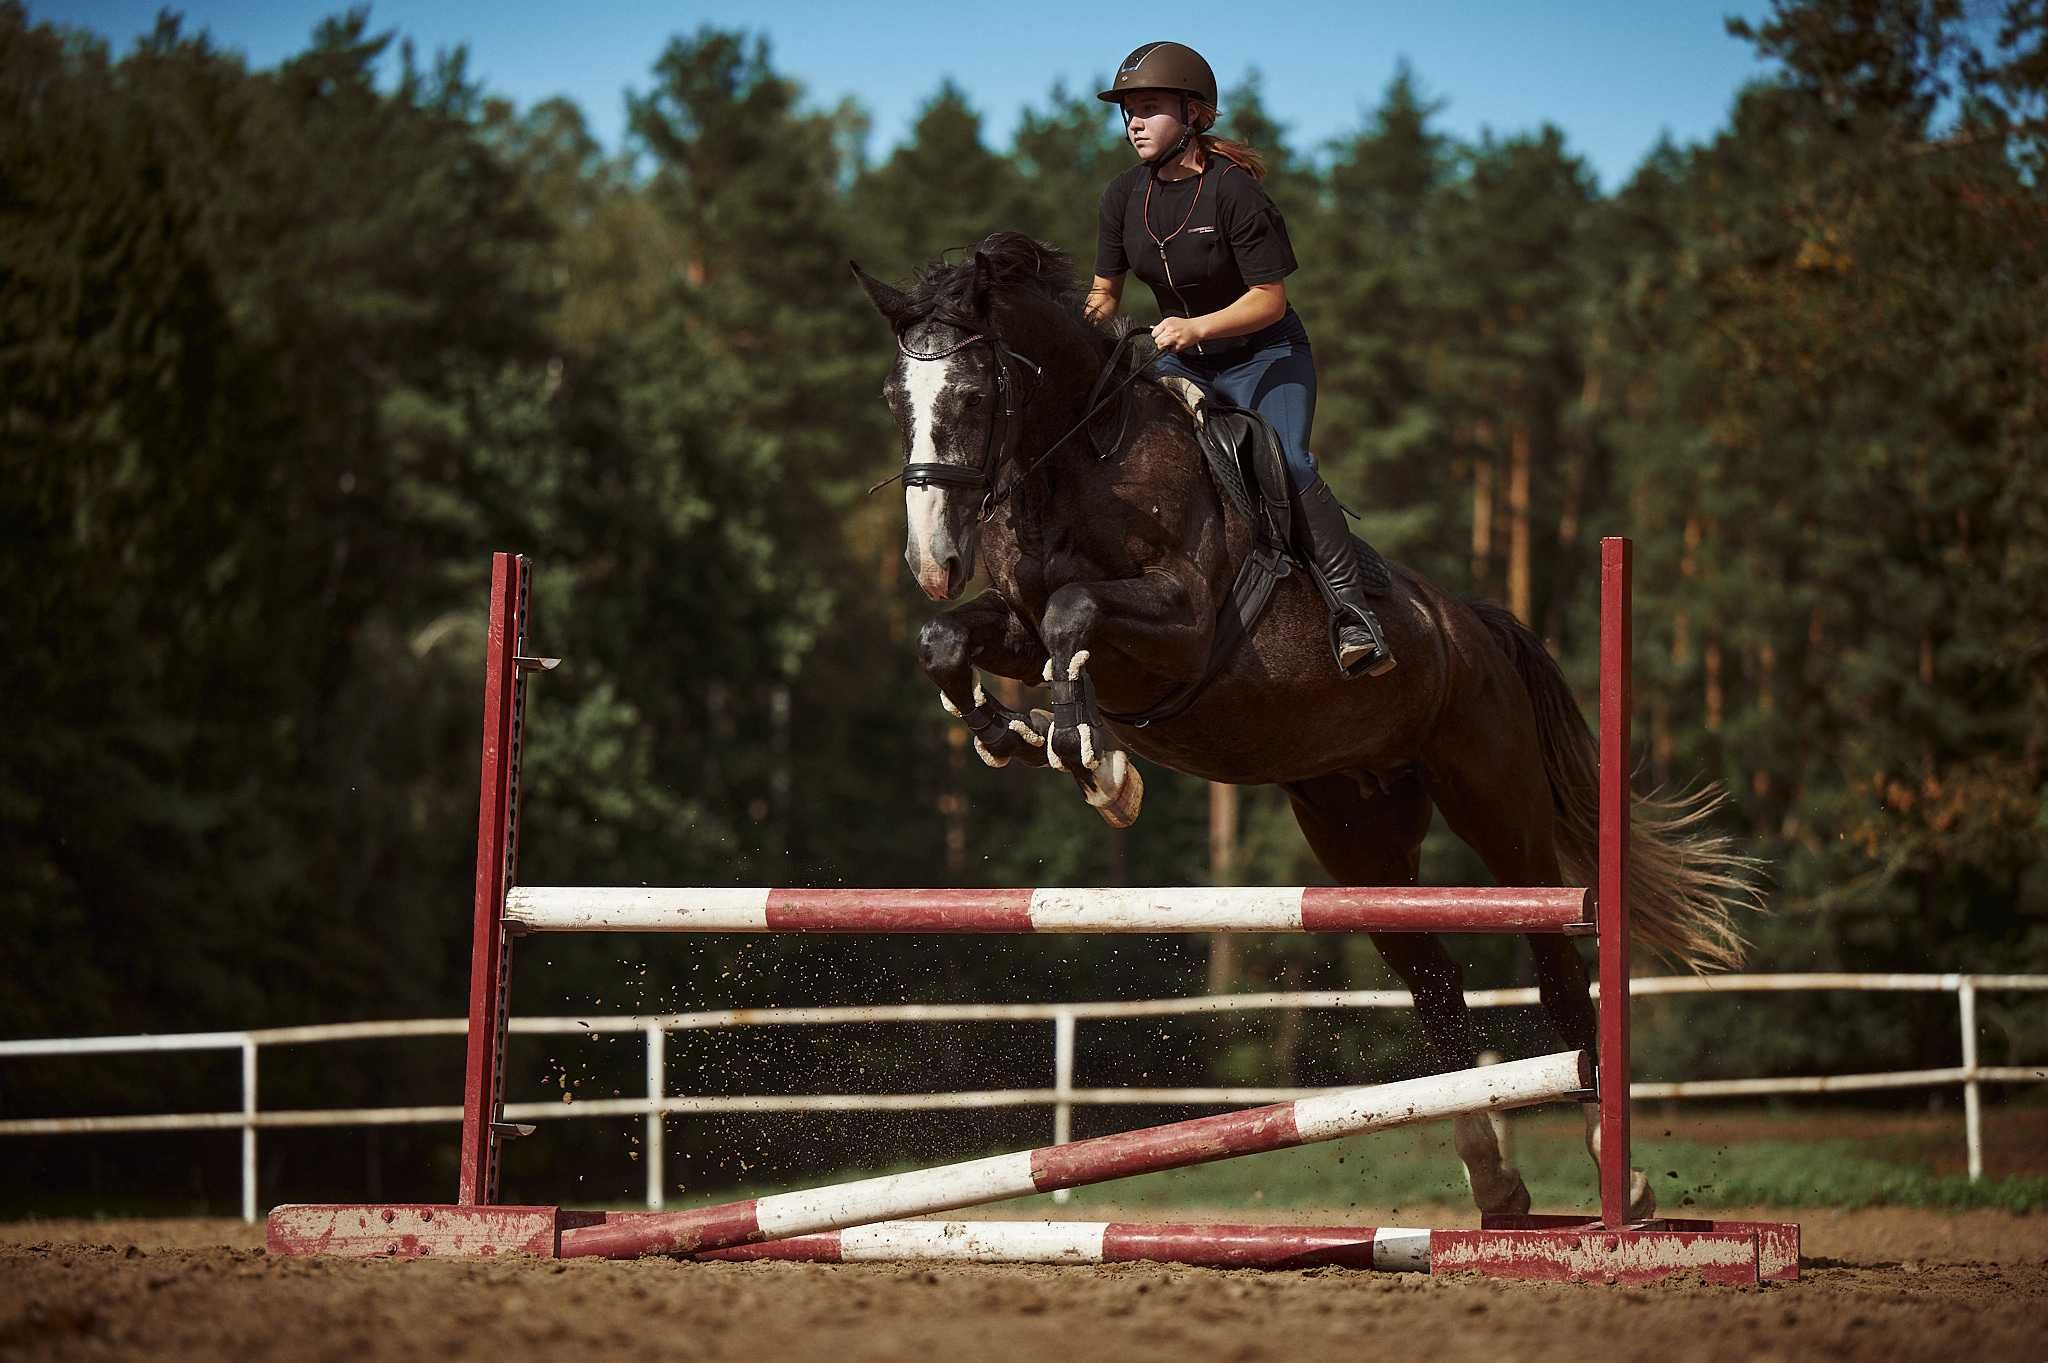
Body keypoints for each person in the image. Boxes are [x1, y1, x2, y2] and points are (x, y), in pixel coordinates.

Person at [1086, 41, 1394, 678]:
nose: (1133, 122)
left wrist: (1195, 327)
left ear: (1194, 114)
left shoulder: (1234, 193)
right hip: (1185, 361)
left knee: (1289, 460)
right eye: (1127, 112)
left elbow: (1270, 301)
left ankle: (1351, 612)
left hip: (1265, 355)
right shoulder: (1121, 196)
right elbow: (1104, 295)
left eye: (1148, 109)